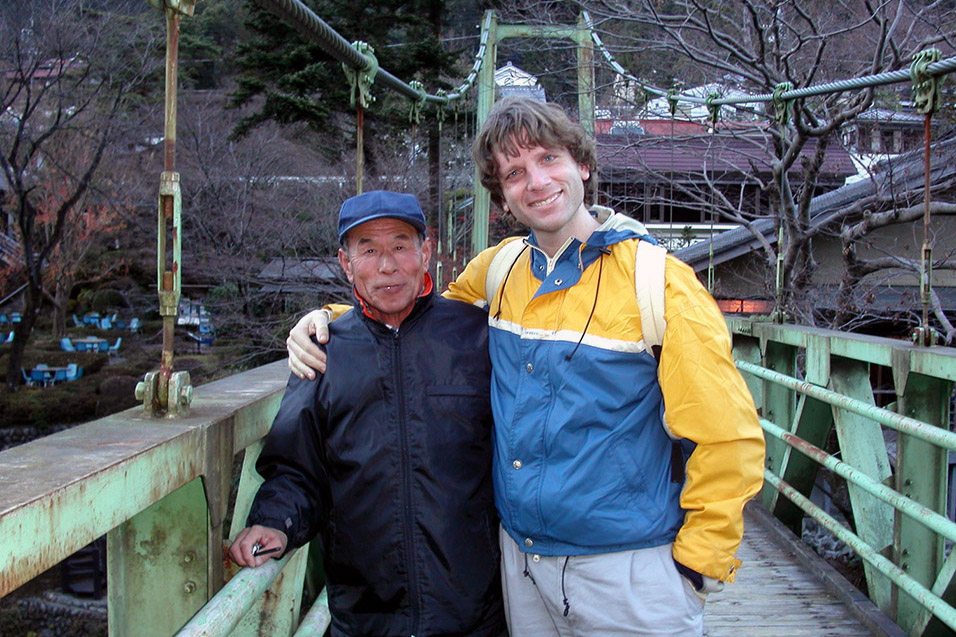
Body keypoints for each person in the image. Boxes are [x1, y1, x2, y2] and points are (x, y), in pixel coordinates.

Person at [287, 97, 766, 636]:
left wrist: (697, 564)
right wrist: (329, 319)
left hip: (626, 572)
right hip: (519, 568)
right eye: (515, 173)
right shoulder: (498, 270)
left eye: (548, 159)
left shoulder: (659, 283)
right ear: (504, 197)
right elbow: (413, 318)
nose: (536, 182)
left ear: (581, 164)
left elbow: (729, 437)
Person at [230, 190, 506, 637]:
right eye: (369, 250)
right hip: (364, 615)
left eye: (400, 246)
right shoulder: (324, 351)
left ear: (426, 250)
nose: (387, 266)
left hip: (475, 613)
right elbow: (297, 467)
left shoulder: (476, 337)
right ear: (345, 263)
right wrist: (274, 522)